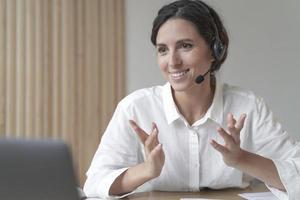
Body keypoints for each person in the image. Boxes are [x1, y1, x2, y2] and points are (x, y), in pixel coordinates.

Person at [83, 0, 300, 199]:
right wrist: (146, 170)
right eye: (162, 50)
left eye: (185, 46)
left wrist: (242, 160)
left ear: (216, 50)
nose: (173, 61)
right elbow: (94, 184)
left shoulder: (248, 106)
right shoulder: (135, 108)